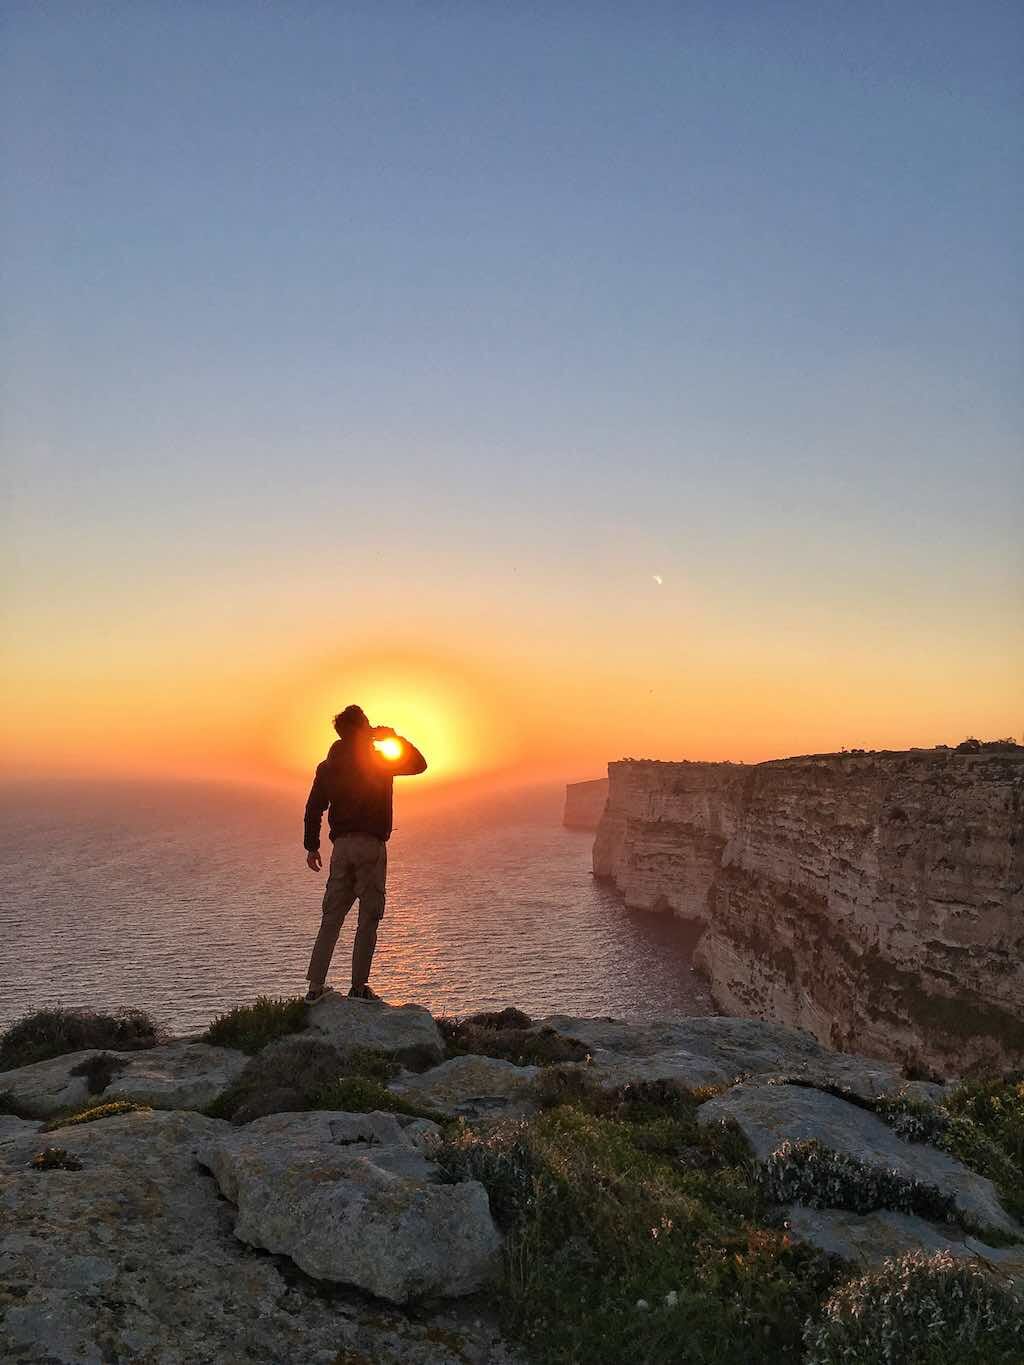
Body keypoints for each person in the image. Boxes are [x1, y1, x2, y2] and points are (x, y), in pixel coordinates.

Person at [302, 704, 427, 1003]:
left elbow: (313, 808)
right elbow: (419, 764)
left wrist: (311, 846)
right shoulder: (378, 761)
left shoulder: (328, 766)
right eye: (367, 724)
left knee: (331, 917)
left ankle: (314, 989)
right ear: (361, 729)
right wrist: (393, 737)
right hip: (370, 847)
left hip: (341, 849)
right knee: (368, 917)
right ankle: (358, 989)